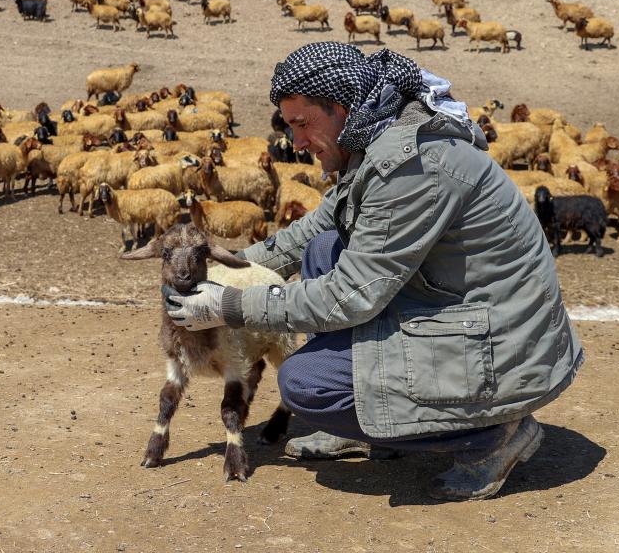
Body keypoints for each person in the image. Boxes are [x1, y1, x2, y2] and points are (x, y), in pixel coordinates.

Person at [165, 42, 583, 501]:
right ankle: (375, 427)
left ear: (341, 109)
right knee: (326, 249)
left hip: (503, 346)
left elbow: (351, 295)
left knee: (307, 386)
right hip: (458, 308)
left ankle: (495, 437)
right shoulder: (376, 136)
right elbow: (316, 229)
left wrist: (230, 305)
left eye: (303, 124)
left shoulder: (412, 166)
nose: (297, 143)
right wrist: (227, 268)